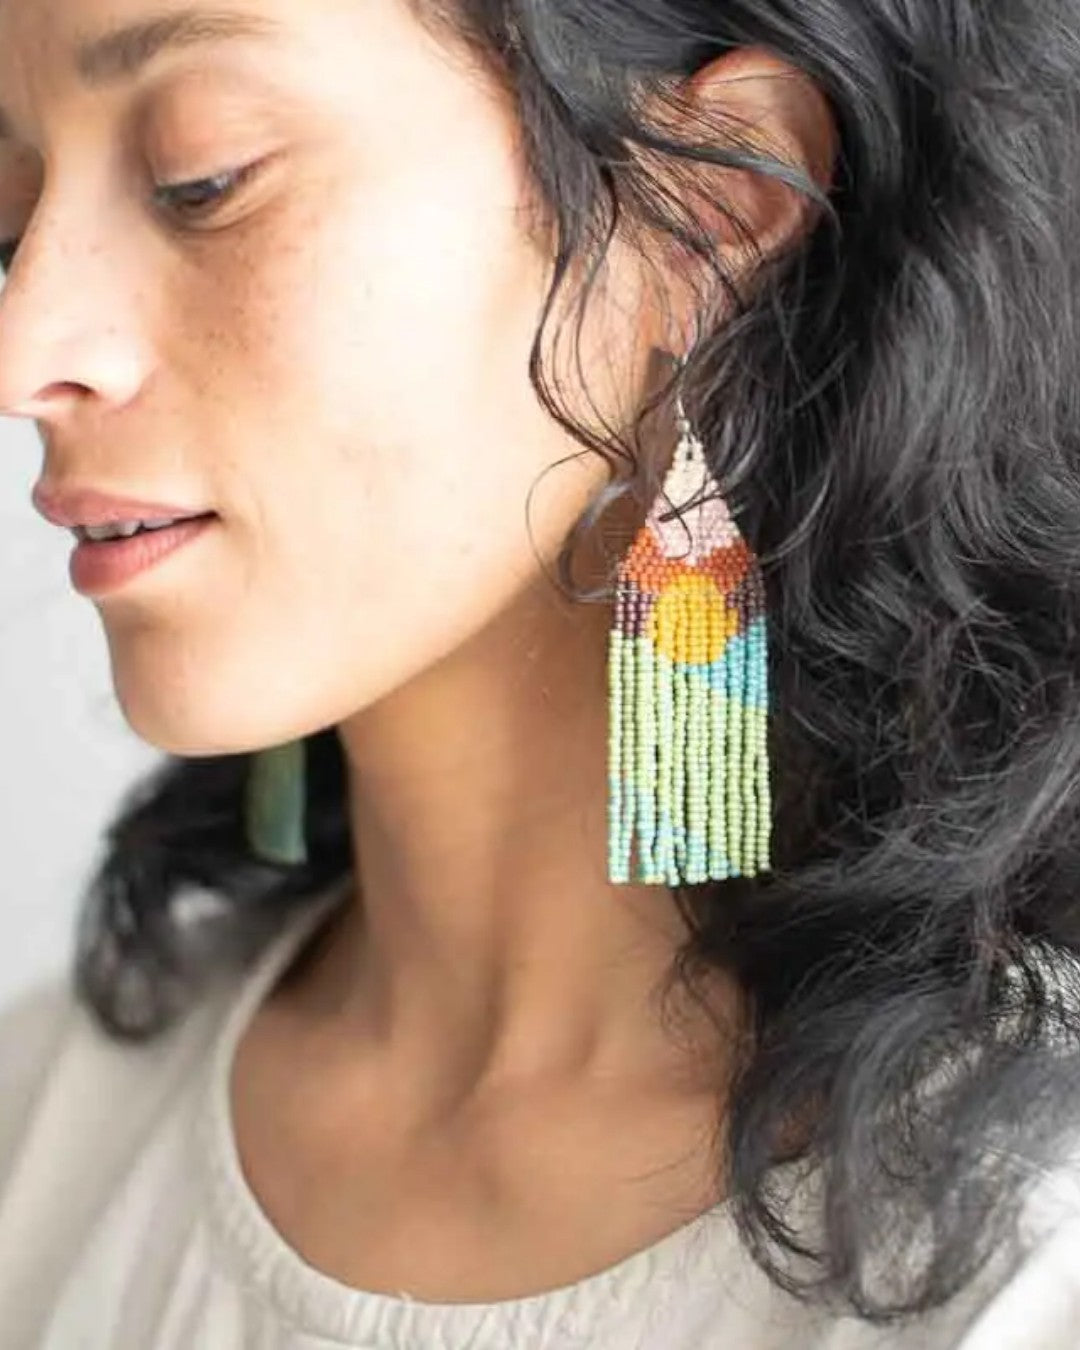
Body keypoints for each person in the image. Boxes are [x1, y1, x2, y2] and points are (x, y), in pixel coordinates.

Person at [2, 0, 1080, 1344]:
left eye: (200, 178)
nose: (22, 352)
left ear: (712, 202)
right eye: (11, 211)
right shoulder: (42, 1133)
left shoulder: (1028, 1252)